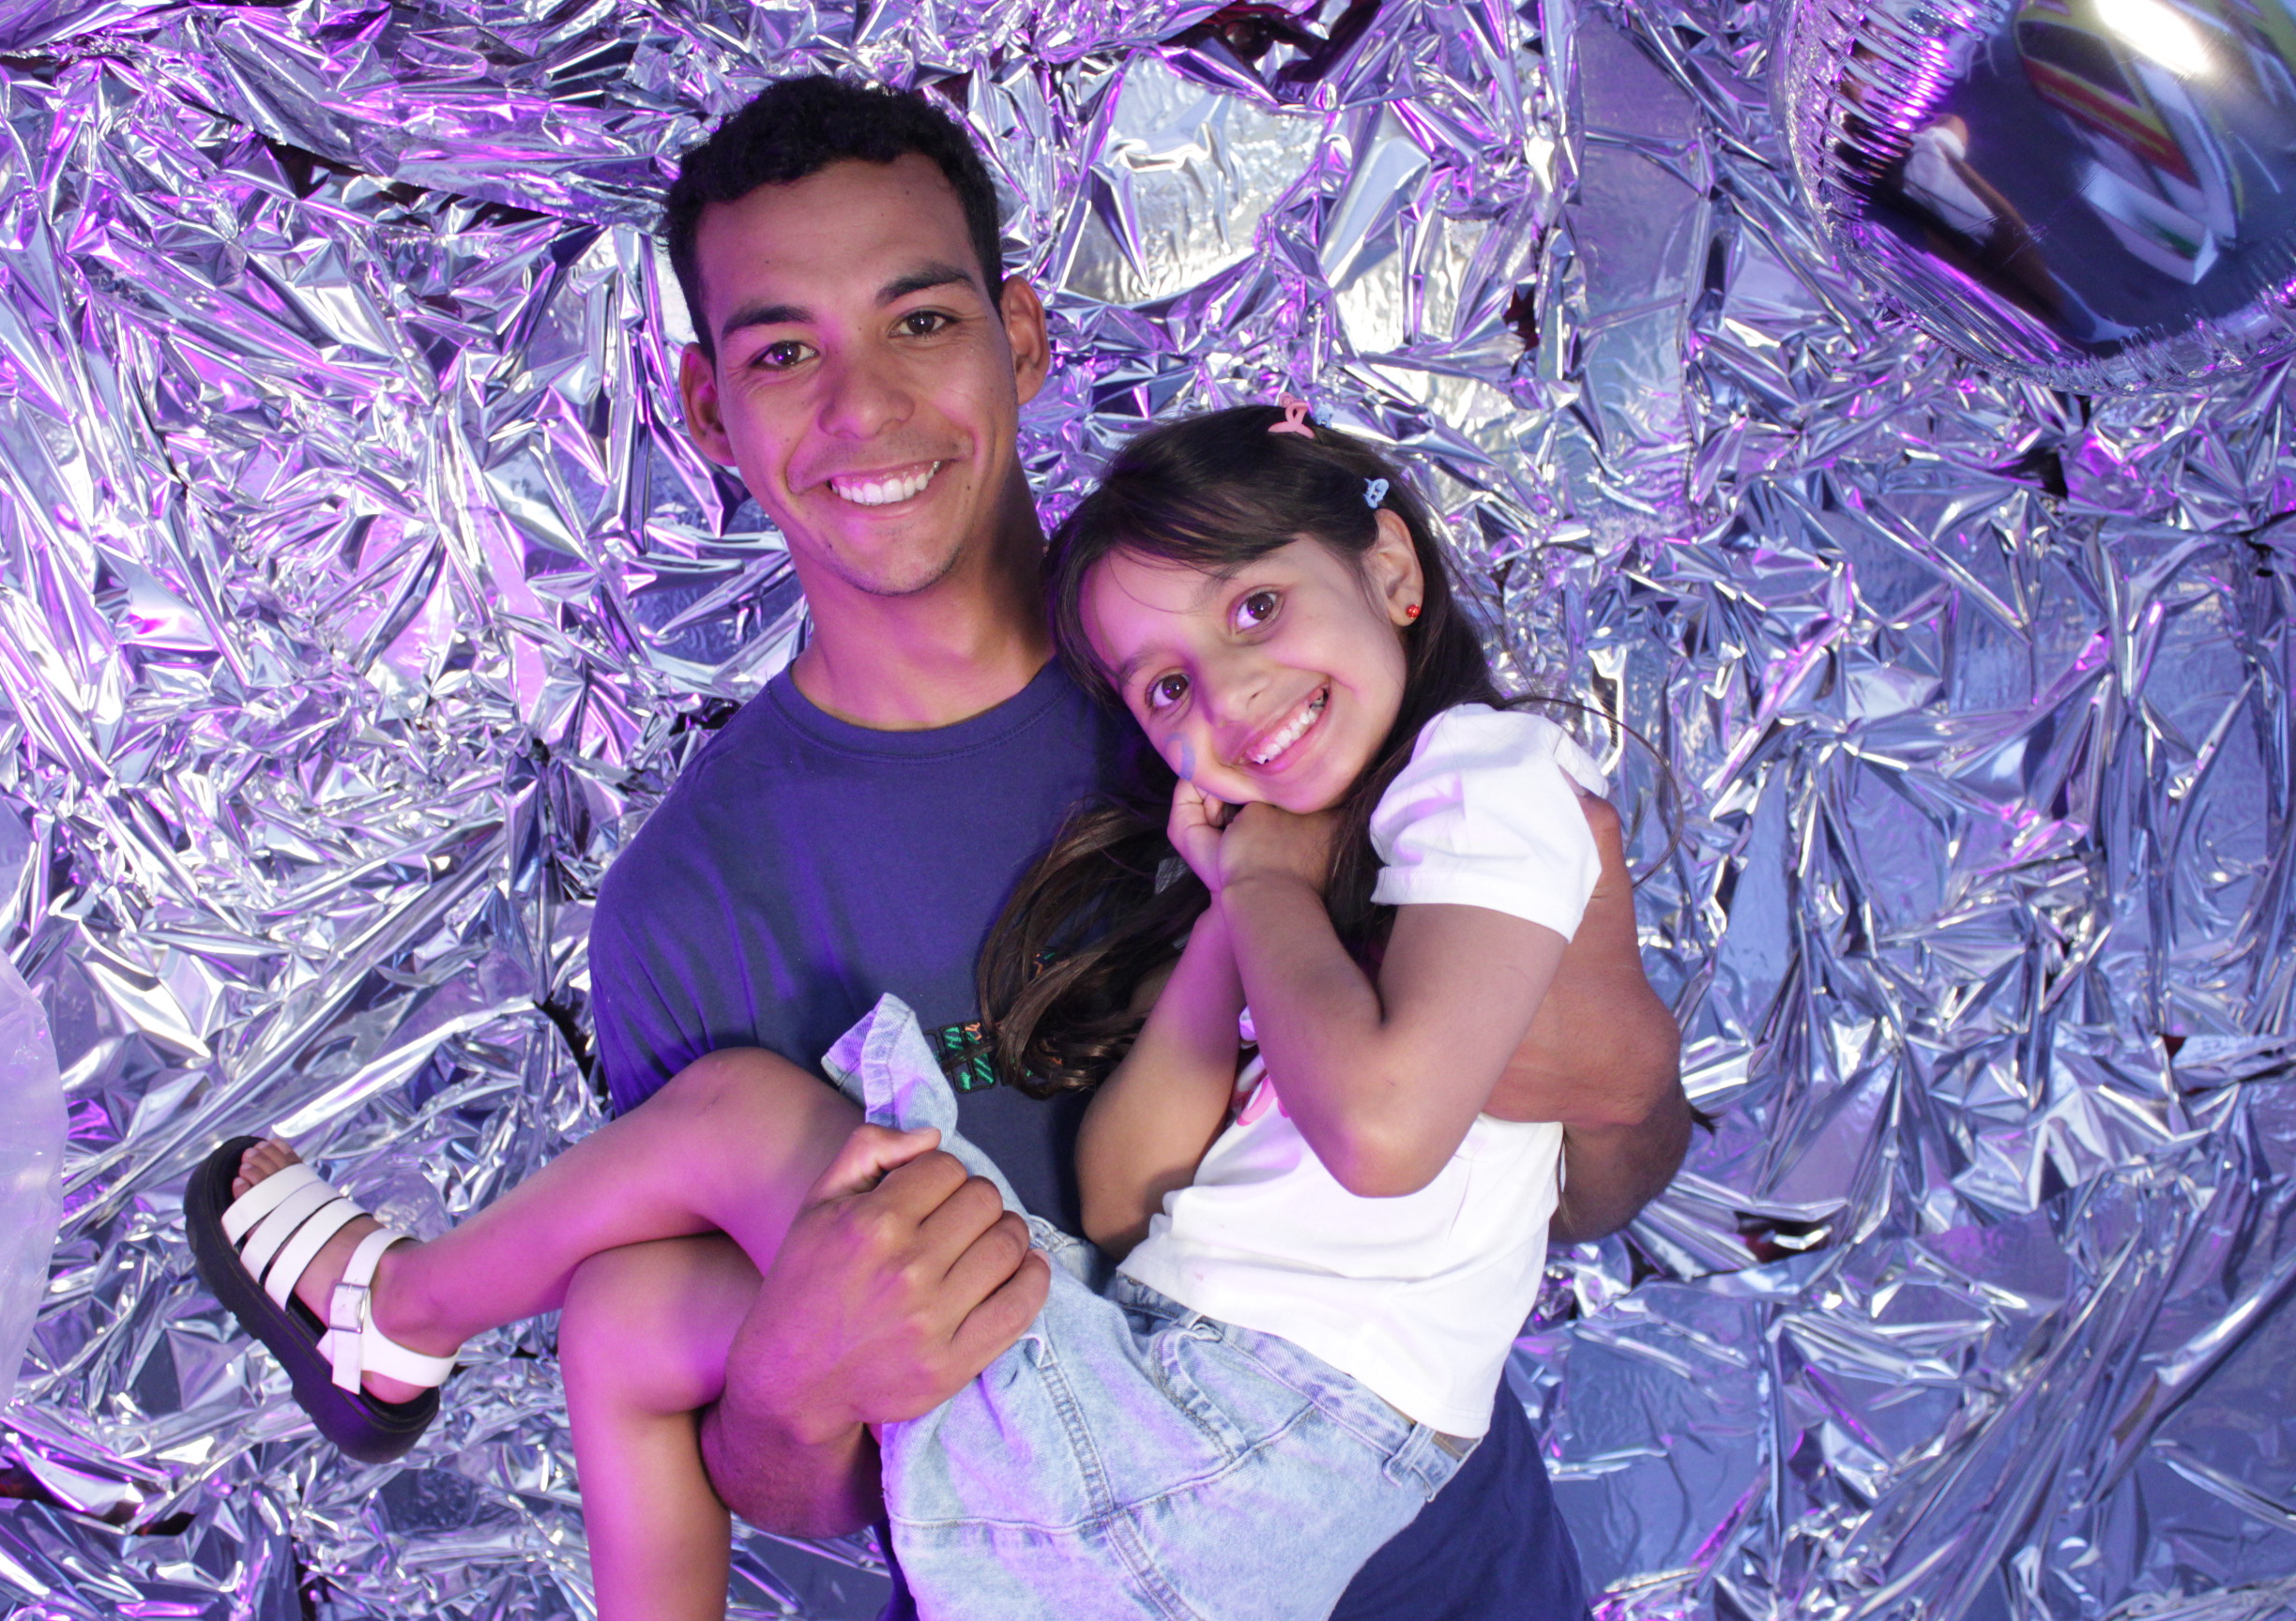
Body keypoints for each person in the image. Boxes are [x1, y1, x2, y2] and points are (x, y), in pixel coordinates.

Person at [185, 74, 1688, 1620]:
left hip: (1438, 1563)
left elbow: (1583, 1185)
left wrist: (1621, 1070)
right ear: (708, 409)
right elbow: (805, 1478)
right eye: (784, 351)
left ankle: (394, 1311)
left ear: (1020, 337)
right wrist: (792, 1384)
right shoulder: (689, 907)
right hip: (1084, 1510)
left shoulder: (1291, 714)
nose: (865, 407)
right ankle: (395, 1316)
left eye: (920, 320)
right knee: (638, 1294)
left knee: (669, 1238)